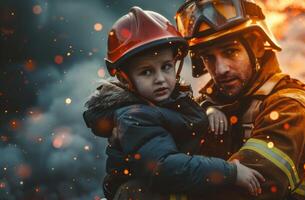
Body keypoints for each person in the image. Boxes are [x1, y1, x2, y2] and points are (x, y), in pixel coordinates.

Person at [83, 7, 265, 200]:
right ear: (125, 78)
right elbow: (165, 168)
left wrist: (209, 110)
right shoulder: (134, 116)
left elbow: (179, 123)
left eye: (166, 66)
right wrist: (230, 173)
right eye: (146, 72)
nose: (160, 79)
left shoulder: (162, 101)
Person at [175, 0, 305, 199]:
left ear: (257, 46)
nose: (220, 69)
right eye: (208, 58)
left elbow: (245, 191)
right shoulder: (208, 104)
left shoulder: (291, 108)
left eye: (230, 52)